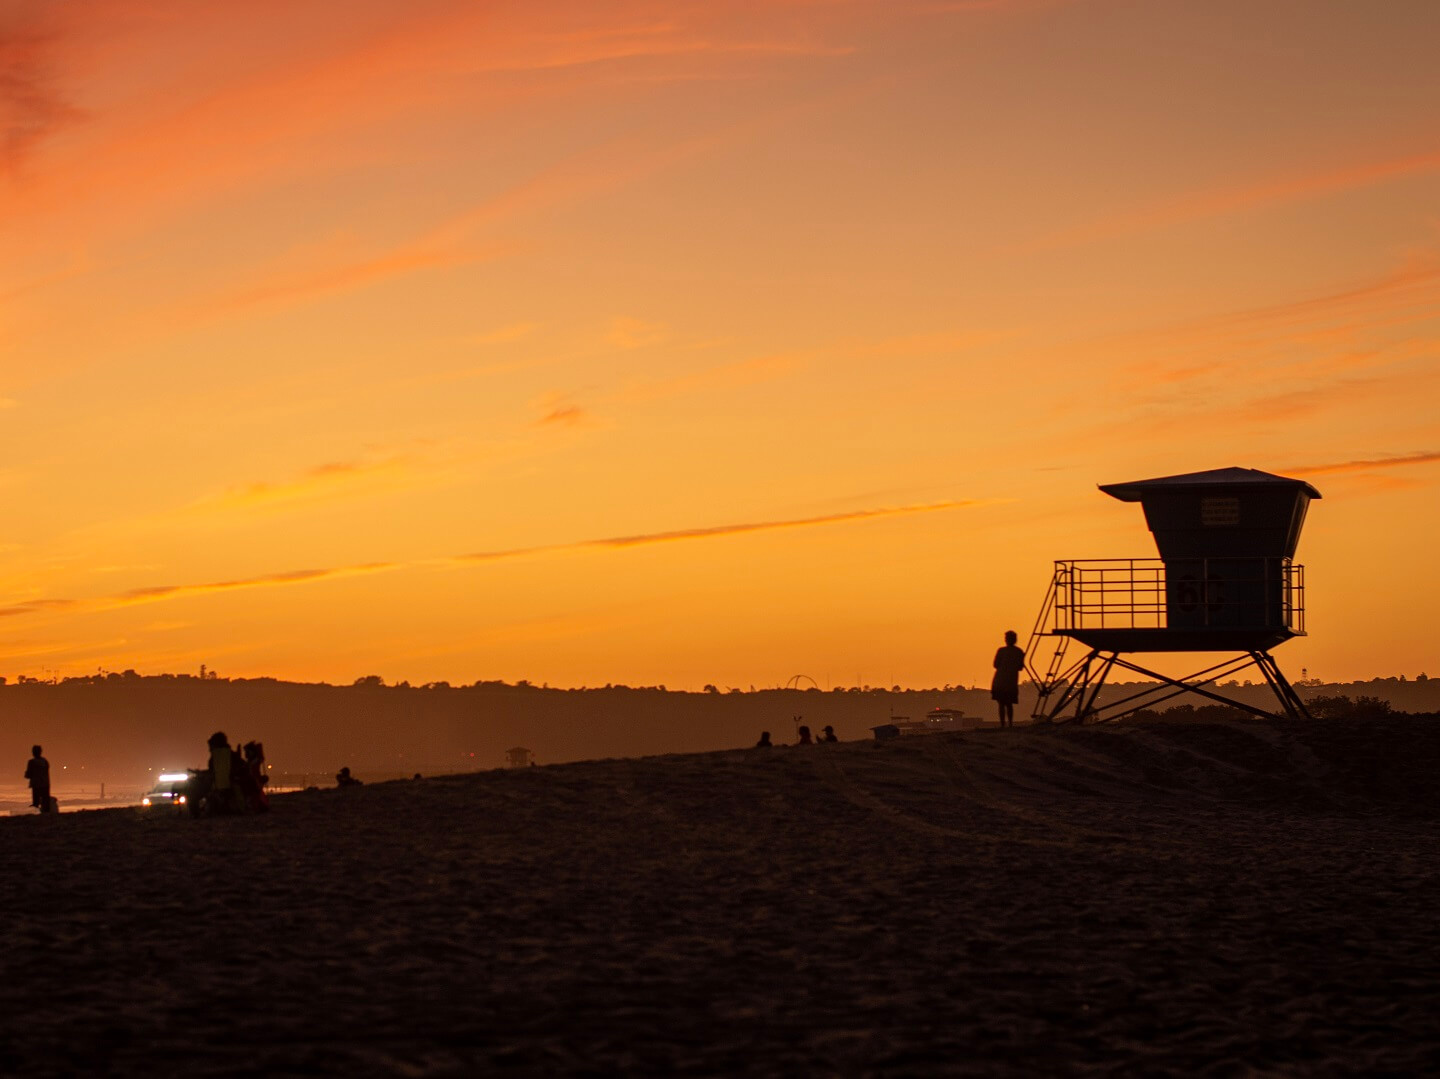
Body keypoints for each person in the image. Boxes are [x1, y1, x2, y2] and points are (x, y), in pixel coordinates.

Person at [991, 630, 1026, 729]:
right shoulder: (1018, 652)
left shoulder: (1001, 651)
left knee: (1001, 704)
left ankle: (1003, 725)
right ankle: (1010, 724)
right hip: (1010, 682)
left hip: (1000, 681)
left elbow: (995, 665)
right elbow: (1020, 668)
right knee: (1009, 704)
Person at [25, 745, 51, 813]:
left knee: (36, 802)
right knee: (45, 802)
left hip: (36, 784)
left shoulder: (31, 762)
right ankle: (46, 814)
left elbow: (28, 775)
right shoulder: (45, 761)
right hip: (45, 783)